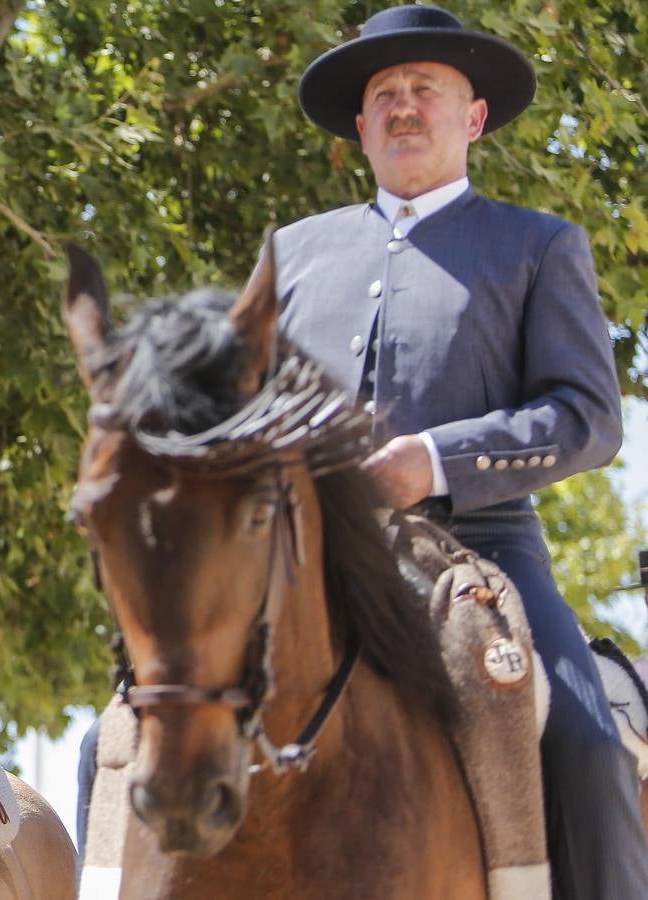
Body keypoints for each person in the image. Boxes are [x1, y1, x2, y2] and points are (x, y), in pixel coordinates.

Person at [274, 5, 647, 897]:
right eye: (385, 95)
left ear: (472, 118)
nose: (404, 107)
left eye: (425, 90)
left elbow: (589, 417)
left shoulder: (539, 245)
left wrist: (435, 461)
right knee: (121, 739)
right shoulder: (291, 254)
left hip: (488, 557)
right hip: (311, 564)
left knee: (589, 748)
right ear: (360, 127)